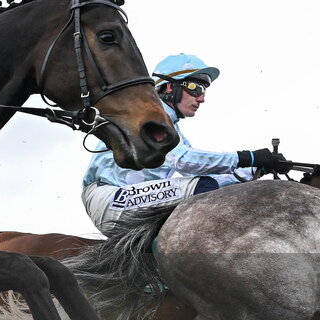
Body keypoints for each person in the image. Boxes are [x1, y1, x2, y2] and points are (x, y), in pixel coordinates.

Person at [81, 53, 292, 235]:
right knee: (202, 188)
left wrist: (253, 169)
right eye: (196, 87)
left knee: (205, 187)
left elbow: (196, 171)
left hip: (130, 199)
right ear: (170, 87)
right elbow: (185, 162)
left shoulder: (171, 128)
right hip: (110, 199)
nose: (201, 98)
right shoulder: (150, 119)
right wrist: (247, 158)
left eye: (204, 90)